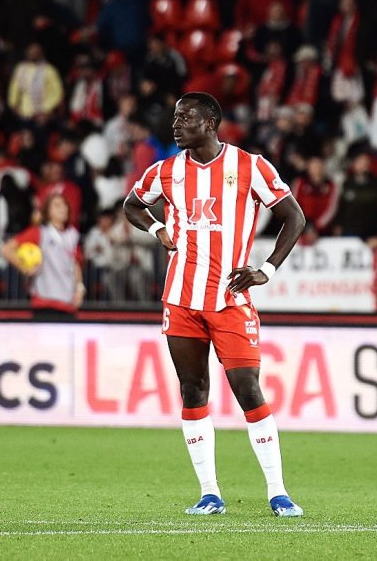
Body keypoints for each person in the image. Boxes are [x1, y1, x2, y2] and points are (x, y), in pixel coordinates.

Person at [123, 91, 307, 518]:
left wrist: (267, 269)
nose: (176, 125)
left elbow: (294, 216)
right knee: (193, 390)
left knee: (247, 389)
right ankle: (210, 493)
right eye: (175, 117)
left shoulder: (250, 166)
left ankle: (278, 492)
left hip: (230, 299)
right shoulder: (165, 171)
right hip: (181, 299)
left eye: (184, 118)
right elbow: (132, 205)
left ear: (209, 123)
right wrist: (156, 229)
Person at [2, 192, 83, 313]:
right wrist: (24, 267)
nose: (63, 208)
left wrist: (80, 289)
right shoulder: (40, 233)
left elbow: (75, 264)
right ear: (48, 212)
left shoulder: (72, 235)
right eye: (57, 205)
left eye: (64, 205)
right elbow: (6, 249)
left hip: (68, 303)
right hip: (44, 302)